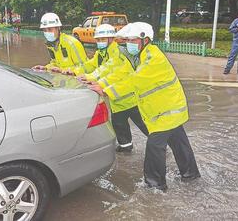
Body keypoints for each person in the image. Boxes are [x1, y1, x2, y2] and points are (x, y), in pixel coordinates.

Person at [89, 22, 200, 191]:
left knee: (155, 146)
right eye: (128, 40)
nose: (129, 44)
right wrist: (98, 82)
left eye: (133, 41)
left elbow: (135, 80)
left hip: (167, 110)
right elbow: (120, 72)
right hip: (167, 108)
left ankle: (155, 186)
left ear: (145, 40)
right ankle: (191, 174)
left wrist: (105, 91)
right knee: (179, 142)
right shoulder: (139, 57)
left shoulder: (153, 58)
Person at [76, 24, 149, 152]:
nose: (99, 42)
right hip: (116, 100)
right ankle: (125, 147)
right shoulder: (102, 53)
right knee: (119, 125)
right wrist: (82, 75)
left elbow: (118, 74)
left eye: (102, 39)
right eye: (98, 40)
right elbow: (103, 70)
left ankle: (160, 144)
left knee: (144, 125)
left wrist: (102, 88)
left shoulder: (119, 52)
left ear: (111, 39)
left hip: (131, 99)